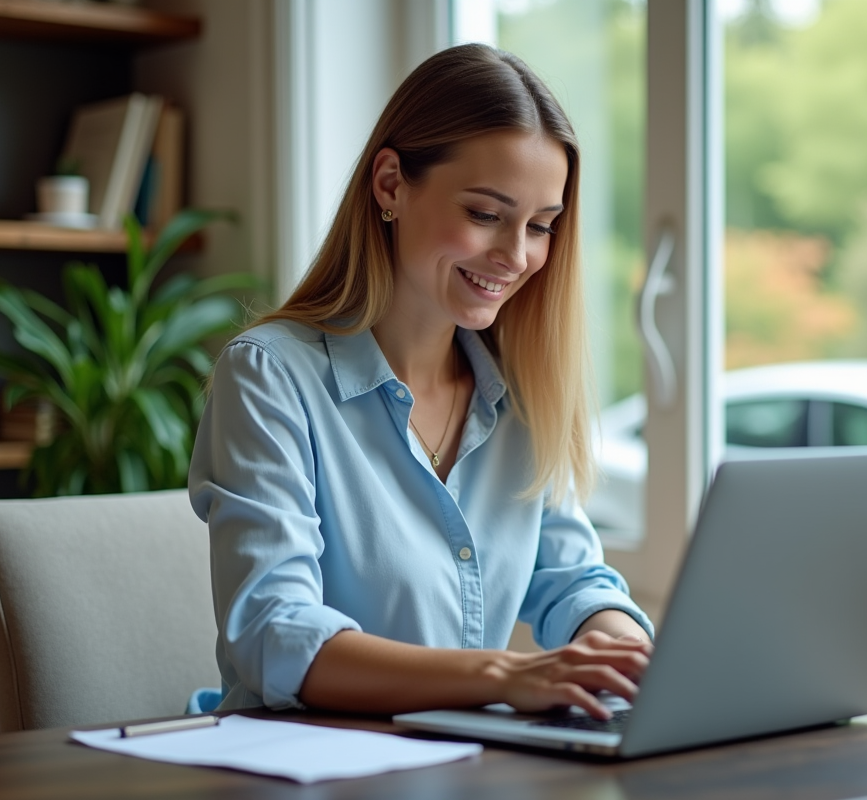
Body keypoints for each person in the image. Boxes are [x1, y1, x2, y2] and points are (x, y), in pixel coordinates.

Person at [188, 43, 654, 720]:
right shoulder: (270, 377)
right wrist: (504, 674)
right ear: (389, 185)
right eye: (485, 215)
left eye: (541, 226)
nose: (517, 256)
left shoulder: (521, 397)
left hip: (465, 768)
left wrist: (625, 658)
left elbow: (576, 583)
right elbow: (275, 633)